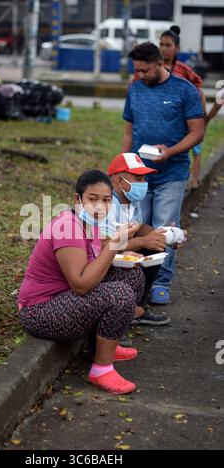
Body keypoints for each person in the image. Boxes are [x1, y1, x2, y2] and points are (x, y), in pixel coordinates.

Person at [18, 170, 145, 395]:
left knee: (131, 276)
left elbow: (95, 262)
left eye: (106, 200)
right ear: (78, 199)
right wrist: (115, 246)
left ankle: (102, 348)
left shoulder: (93, 222)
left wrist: (119, 255)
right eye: (92, 199)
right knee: (119, 294)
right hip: (40, 311)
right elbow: (81, 284)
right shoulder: (68, 226)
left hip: (67, 299)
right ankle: (101, 370)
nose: (100, 207)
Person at [122, 42, 205, 305]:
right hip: (138, 175)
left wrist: (170, 152)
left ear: (160, 64)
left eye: (144, 70)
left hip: (172, 172)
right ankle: (136, 280)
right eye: (137, 70)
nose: (140, 75)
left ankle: (160, 282)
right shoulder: (135, 89)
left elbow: (197, 132)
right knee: (137, 227)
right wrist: (124, 165)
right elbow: (128, 131)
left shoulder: (184, 89)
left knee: (165, 226)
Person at [108, 152, 171, 326]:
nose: (144, 184)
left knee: (156, 247)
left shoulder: (130, 200)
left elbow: (139, 227)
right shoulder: (108, 204)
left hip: (118, 250)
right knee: (147, 246)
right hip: (103, 256)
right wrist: (143, 242)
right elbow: (108, 246)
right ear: (119, 181)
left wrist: (164, 235)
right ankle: (124, 311)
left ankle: (136, 307)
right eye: (138, 178)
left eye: (144, 178)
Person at [159, 25, 206, 189]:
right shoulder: (154, 69)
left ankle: (193, 177)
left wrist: (199, 113)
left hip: (184, 117)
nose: (164, 49)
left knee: (193, 147)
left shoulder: (184, 70)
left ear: (177, 48)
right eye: (161, 45)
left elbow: (198, 90)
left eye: (168, 45)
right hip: (163, 118)